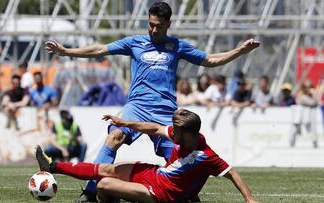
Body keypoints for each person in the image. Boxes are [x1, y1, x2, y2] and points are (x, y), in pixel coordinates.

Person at [45, 1, 260, 200]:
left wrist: (240, 50)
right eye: (150, 25)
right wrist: (66, 51)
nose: (154, 30)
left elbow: (211, 60)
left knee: (177, 157)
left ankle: (186, 195)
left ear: (168, 24)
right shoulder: (134, 42)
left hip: (165, 112)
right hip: (136, 106)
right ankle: (91, 191)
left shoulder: (177, 46)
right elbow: (100, 48)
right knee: (114, 137)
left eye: (158, 26)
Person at [35, 109, 258, 203]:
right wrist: (124, 123)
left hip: (159, 193)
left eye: (176, 132)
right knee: (108, 169)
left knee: (103, 185)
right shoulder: (183, 135)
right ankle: (53, 166)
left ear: (188, 134)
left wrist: (249, 199)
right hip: (154, 174)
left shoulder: (206, 156)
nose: (171, 134)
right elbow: (153, 128)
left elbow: (233, 174)